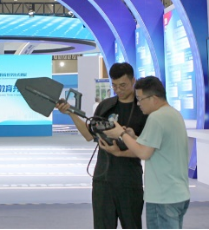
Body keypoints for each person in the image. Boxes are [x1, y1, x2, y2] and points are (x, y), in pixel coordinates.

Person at [57, 62, 148, 229]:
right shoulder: (105, 106)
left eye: (123, 85)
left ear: (133, 81)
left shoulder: (142, 109)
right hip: (102, 180)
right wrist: (71, 113)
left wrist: (123, 147)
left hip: (129, 181)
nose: (118, 90)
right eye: (114, 85)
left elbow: (147, 150)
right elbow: (88, 134)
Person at [100, 76, 190, 230]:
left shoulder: (156, 118)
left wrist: (121, 134)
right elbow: (151, 146)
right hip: (178, 194)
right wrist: (132, 138)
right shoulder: (173, 114)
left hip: (162, 197)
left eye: (140, 99)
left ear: (154, 98)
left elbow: (143, 153)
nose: (138, 104)